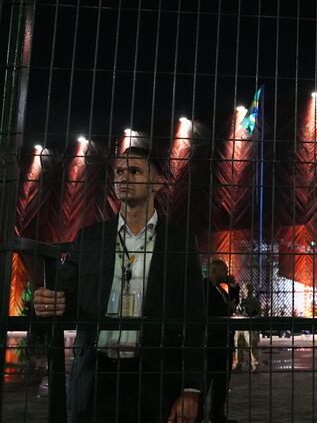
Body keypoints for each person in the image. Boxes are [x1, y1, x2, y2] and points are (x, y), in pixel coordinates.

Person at [33, 145, 205, 423]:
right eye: (119, 171)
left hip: (154, 379)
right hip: (95, 379)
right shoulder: (89, 239)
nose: (124, 177)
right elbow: (67, 299)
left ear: (158, 183)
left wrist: (191, 389)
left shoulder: (180, 243)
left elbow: (195, 319)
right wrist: (49, 302)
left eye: (134, 171)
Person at [203, 260, 238, 423]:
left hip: (224, 343)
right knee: (208, 380)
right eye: (224, 270)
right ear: (214, 270)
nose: (227, 274)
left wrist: (234, 287)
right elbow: (211, 310)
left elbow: (233, 304)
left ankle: (217, 415)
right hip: (212, 343)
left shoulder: (220, 290)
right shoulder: (205, 287)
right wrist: (227, 308)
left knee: (222, 382)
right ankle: (200, 413)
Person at [234, 283, 262, 371]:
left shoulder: (255, 301)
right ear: (243, 290)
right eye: (246, 288)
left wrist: (252, 318)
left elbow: (259, 313)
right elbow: (237, 312)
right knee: (238, 345)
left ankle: (255, 364)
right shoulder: (241, 301)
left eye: (250, 288)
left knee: (252, 345)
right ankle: (239, 363)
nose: (248, 290)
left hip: (250, 326)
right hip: (241, 326)